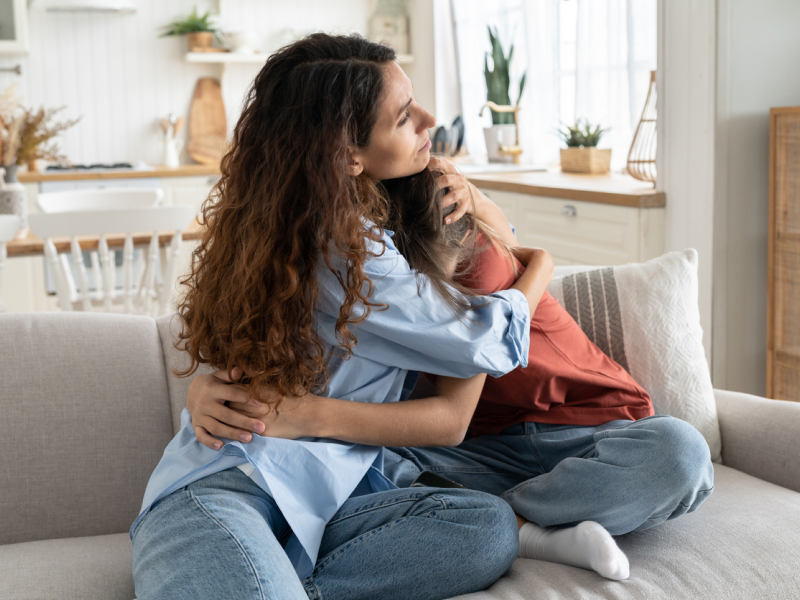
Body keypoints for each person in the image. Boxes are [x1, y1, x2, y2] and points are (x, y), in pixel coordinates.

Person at [131, 33, 555, 600]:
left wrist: (477, 203)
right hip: (229, 488)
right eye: (404, 116)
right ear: (346, 155)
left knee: (483, 527)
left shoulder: (308, 228)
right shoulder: (346, 247)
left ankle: (287, 580)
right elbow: (482, 338)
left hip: (334, 500)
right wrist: (544, 266)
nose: (430, 120)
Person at [190, 167, 715, 583]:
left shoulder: (462, 253)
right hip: (469, 455)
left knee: (678, 453)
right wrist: (207, 390)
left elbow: (470, 366)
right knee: (343, 466)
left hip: (588, 429)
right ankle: (523, 523)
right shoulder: (357, 269)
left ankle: (518, 522)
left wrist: (528, 254)